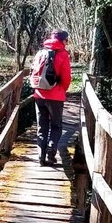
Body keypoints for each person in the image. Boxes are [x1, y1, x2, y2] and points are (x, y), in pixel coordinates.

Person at [33, 29, 72, 166]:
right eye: (66, 40)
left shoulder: (40, 53)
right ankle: (51, 149)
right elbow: (66, 78)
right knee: (56, 125)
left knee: (42, 126)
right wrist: (62, 90)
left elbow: (35, 73)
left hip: (39, 94)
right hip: (56, 96)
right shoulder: (63, 55)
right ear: (62, 40)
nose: (67, 43)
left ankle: (40, 155)